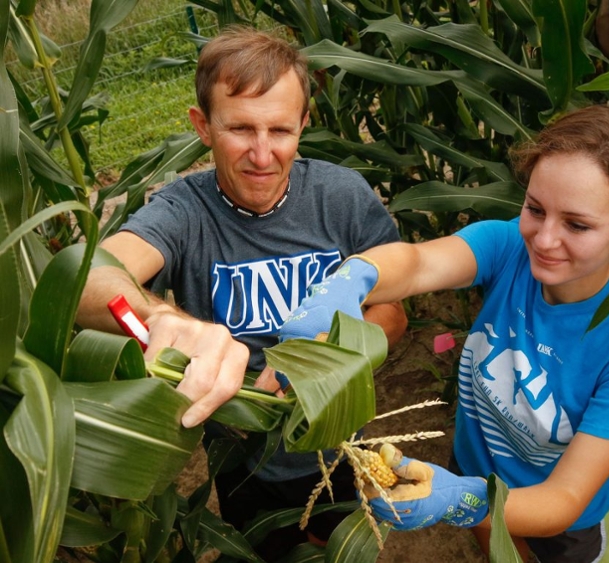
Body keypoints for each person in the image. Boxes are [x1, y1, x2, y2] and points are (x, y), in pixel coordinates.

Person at [278, 104, 609, 563]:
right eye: (535, 209)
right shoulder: (511, 247)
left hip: (560, 527)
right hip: (475, 473)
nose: (544, 240)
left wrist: (461, 501)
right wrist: (350, 280)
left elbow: (563, 500)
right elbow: (419, 263)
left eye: (577, 225)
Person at [77, 26, 407, 560]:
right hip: (244, 457)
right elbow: (90, 276)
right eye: (240, 129)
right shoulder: (183, 211)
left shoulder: (342, 198)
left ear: (304, 123)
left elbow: (393, 310)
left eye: (280, 130)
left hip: (344, 442)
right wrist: (166, 319)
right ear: (202, 127)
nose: (261, 154)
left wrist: (341, 349)